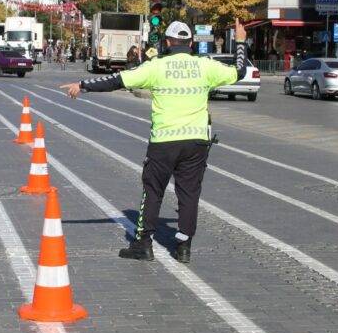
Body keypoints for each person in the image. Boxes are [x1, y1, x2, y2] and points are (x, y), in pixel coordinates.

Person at [60, 21, 244, 264]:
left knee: (153, 191)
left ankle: (143, 244)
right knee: (189, 194)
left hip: (164, 141)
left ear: (167, 43)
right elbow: (239, 71)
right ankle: (184, 247)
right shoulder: (205, 66)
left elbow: (118, 79)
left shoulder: (157, 66)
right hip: (197, 141)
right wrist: (240, 41)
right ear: (190, 43)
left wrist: (82, 86)